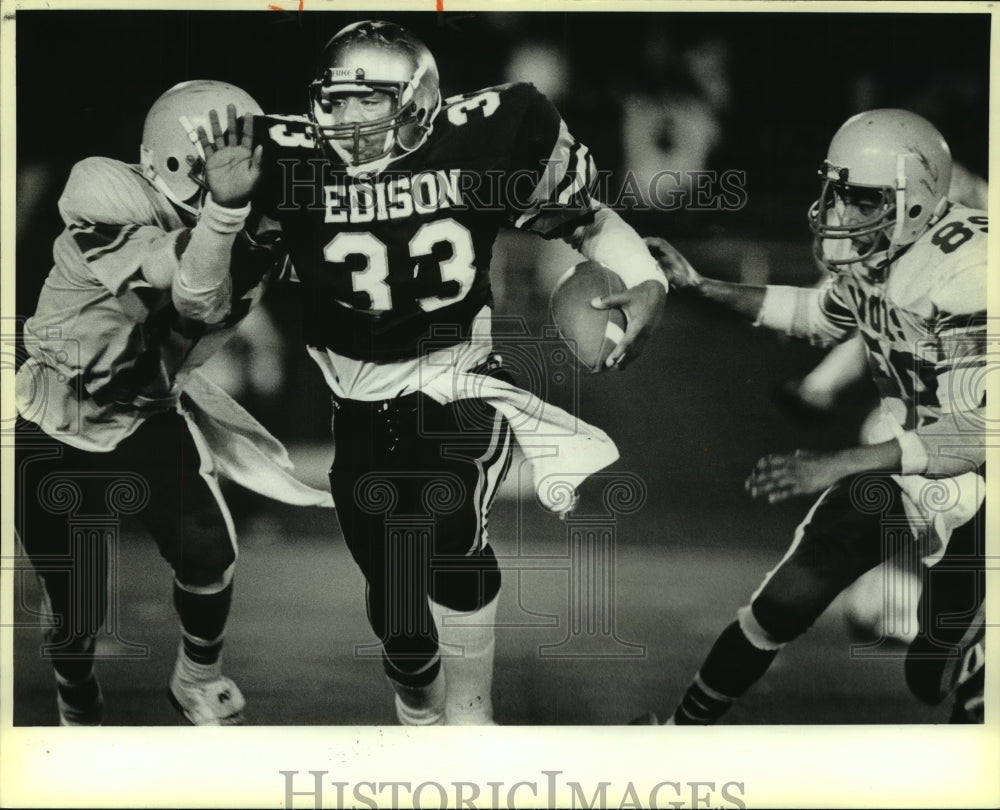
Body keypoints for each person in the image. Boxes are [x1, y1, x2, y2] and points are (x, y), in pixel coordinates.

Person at [252, 19, 674, 725]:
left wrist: (646, 279)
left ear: (417, 102)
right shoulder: (285, 157)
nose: (346, 118)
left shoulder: (484, 137)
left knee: (451, 525)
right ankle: (419, 702)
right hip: (356, 401)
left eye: (370, 100)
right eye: (336, 100)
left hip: (458, 379)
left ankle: (472, 719)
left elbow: (585, 218)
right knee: (397, 614)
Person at [637, 109, 986, 724]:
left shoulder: (974, 271)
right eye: (838, 192)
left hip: (983, 486)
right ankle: (677, 732)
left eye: (861, 199)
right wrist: (700, 285)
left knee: (939, 678)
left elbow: (981, 433)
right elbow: (819, 315)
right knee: (787, 596)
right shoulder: (884, 254)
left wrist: (841, 462)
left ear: (914, 202)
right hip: (913, 465)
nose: (840, 213)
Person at [15, 80, 330, 726]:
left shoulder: (253, 223)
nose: (254, 176)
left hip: (149, 413)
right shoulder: (105, 192)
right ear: (187, 164)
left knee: (210, 550)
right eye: (234, 160)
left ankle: (197, 680)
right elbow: (191, 291)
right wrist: (227, 214)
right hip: (56, 419)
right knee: (74, 613)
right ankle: (75, 689)